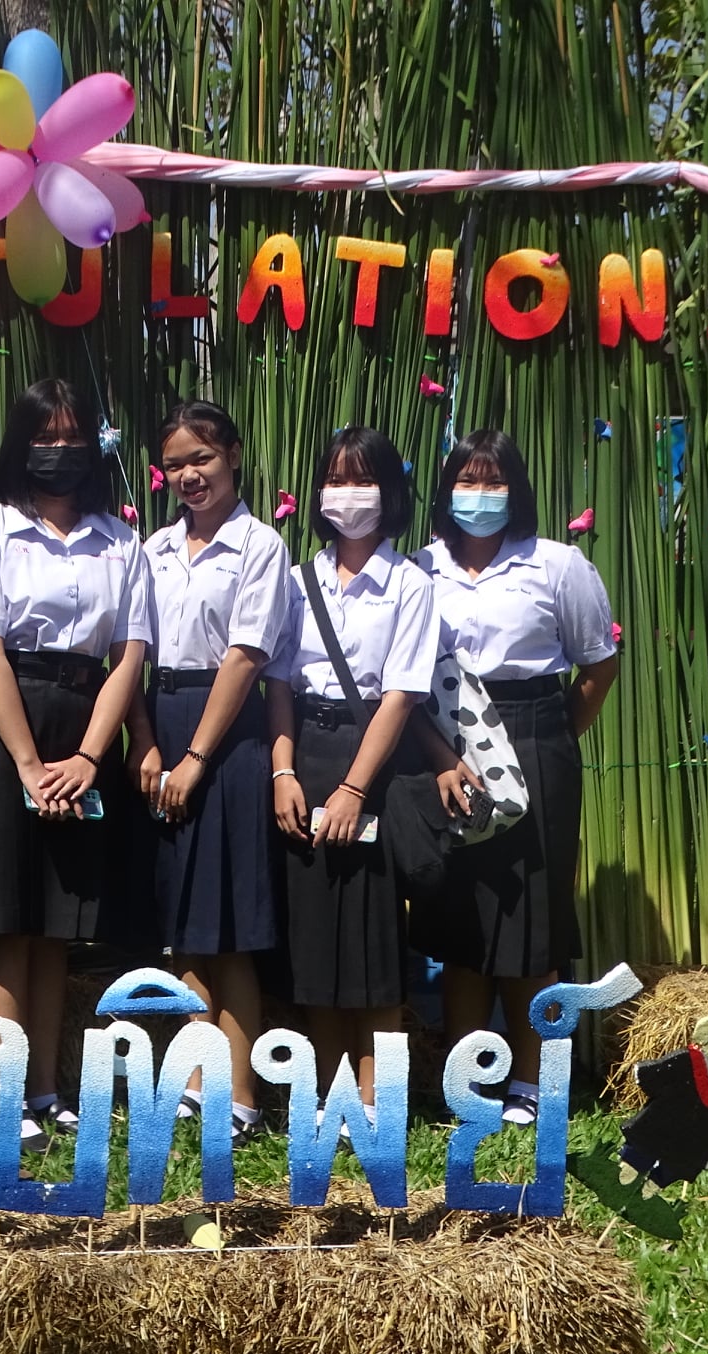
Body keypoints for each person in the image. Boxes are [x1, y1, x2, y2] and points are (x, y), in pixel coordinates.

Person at [0, 379, 153, 1155]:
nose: (60, 452)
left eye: (73, 438)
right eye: (45, 437)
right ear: (19, 445)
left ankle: (46, 1089)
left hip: (85, 721)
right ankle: (8, 1103)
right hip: (7, 729)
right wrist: (31, 765)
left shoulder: (121, 542)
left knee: (55, 927)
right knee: (7, 921)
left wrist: (91, 756)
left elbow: (129, 654)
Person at [411, 428, 620, 1127]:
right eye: (465, 482)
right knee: (460, 919)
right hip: (445, 747)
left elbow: (598, 666)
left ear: (518, 490)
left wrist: (547, 741)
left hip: (534, 737)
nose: (479, 495)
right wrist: (445, 755)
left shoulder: (559, 565)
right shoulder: (420, 569)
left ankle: (531, 1083)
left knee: (533, 921)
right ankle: (467, 1083)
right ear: (445, 493)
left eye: (493, 481)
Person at [125, 401, 289, 1146]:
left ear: (234, 457)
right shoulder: (153, 548)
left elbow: (246, 656)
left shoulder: (260, 545)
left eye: (203, 458)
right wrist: (146, 740)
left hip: (229, 735)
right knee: (186, 923)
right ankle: (196, 1082)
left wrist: (195, 758)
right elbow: (132, 651)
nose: (190, 475)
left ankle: (242, 1095)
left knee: (233, 926)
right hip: (163, 720)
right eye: (176, 464)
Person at [264, 426, 437, 1118]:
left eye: (362, 479)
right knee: (314, 936)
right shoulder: (294, 581)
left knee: (372, 938)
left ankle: (375, 1106)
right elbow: (278, 681)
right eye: (335, 479)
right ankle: (327, 1100)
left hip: (372, 763)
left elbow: (401, 695)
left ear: (390, 491)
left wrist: (354, 789)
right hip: (305, 753)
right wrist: (282, 772)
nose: (347, 494)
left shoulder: (410, 583)